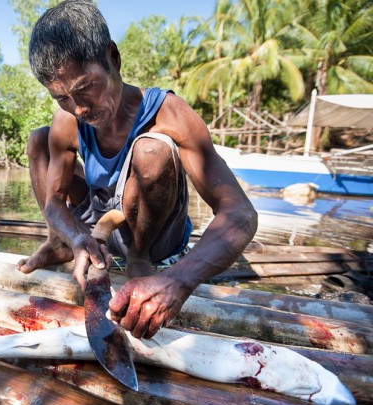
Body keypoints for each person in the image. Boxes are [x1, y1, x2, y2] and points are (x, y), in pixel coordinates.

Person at [17, 0, 257, 340]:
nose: (79, 107)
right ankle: (60, 243)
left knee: (151, 150)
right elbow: (55, 202)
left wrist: (178, 279)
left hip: (153, 236)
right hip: (99, 224)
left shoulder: (169, 113)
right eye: (63, 98)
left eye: (85, 88)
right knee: (39, 140)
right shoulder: (69, 119)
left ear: (113, 58)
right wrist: (76, 236)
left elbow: (241, 214)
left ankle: (139, 258)